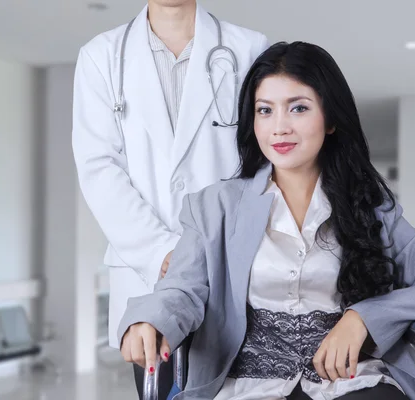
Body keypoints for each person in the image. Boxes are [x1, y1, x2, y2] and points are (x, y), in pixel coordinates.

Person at [117, 42, 415, 400]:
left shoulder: (372, 209)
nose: (280, 128)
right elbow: (183, 288)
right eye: (265, 110)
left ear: (330, 119)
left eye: (298, 108)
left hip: (352, 381)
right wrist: (150, 319)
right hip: (249, 385)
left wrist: (364, 319)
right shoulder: (215, 207)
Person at [71, 0, 268, 398]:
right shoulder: (100, 57)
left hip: (232, 267)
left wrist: (211, 250)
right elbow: (98, 169)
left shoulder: (249, 49)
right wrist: (165, 252)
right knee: (160, 387)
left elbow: (264, 159)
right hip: (147, 275)